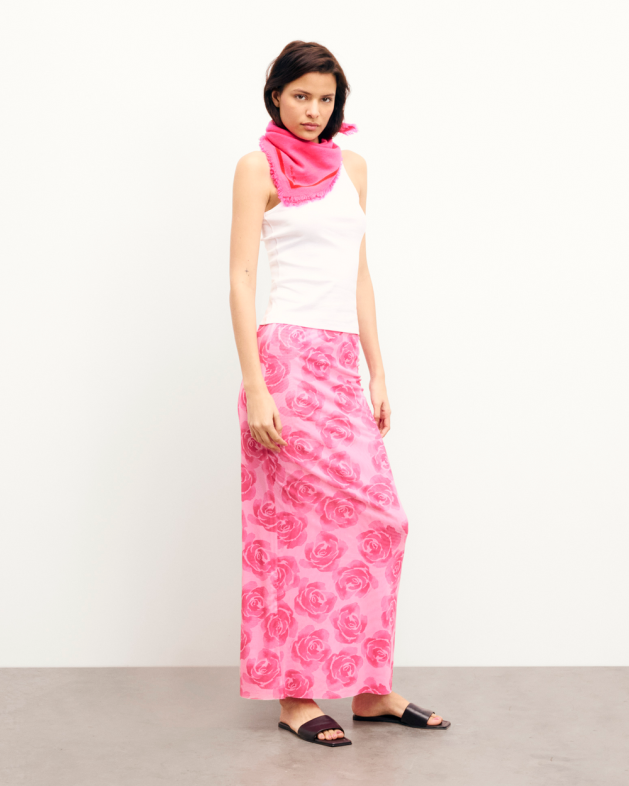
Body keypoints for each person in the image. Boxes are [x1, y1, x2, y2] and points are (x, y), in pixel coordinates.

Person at [229, 40, 450, 748]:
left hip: (340, 363)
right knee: (292, 531)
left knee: (382, 520)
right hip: (285, 361)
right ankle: (295, 696)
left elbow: (358, 273)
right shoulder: (256, 167)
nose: (312, 110)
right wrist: (255, 384)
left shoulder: (353, 167)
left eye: (324, 98)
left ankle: (371, 688)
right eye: (300, 96)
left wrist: (377, 370)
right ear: (276, 96)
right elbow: (239, 276)